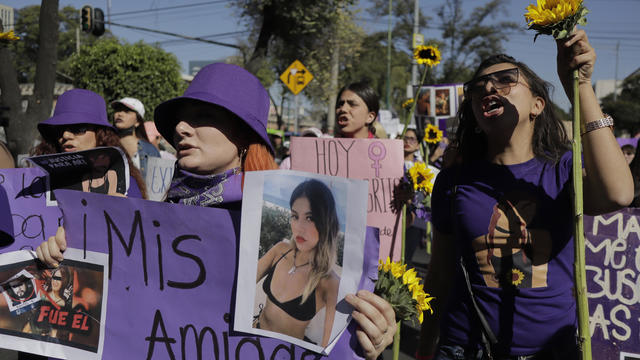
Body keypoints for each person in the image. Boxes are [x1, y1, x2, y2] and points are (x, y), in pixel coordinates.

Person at [36, 63, 396, 360]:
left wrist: (372, 333)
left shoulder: (260, 224)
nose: (180, 128)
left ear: (243, 135)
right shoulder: (145, 221)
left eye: (202, 115)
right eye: (179, 118)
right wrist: (64, 260)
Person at [417, 30, 633, 359]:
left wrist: (580, 86)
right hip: (464, 349)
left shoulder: (563, 171)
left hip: (551, 351)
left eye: (506, 79)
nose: (488, 88)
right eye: (478, 87)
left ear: (537, 105)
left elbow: (618, 194)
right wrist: (423, 350)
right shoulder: (453, 182)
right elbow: (440, 274)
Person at [255, 179, 340, 346]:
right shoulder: (280, 250)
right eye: (295, 216)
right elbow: (240, 286)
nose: (299, 227)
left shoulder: (329, 282)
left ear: (326, 223)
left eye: (310, 218)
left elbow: (329, 348)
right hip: (249, 343)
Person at [31, 89, 146, 199]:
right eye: (59, 130)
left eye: (78, 128)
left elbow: (140, 218)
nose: (65, 135)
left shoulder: (126, 186)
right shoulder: (36, 184)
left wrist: (123, 212)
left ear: (100, 134)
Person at [111, 97, 161, 179]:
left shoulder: (150, 151)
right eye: (118, 110)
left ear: (137, 122)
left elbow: (157, 185)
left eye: (127, 111)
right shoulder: (105, 145)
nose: (119, 114)